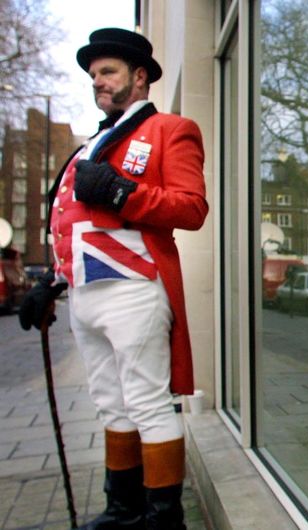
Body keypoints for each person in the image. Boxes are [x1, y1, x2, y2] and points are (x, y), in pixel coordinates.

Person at [18, 28, 208, 529]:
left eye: (107, 72)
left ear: (139, 76)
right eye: (93, 74)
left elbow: (192, 209)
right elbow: (72, 227)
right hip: (86, 295)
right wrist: (51, 285)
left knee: (146, 402)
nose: (97, 82)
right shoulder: (90, 144)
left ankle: (165, 519)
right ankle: (123, 511)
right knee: (110, 404)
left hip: (134, 288)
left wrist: (123, 192)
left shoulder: (172, 129)